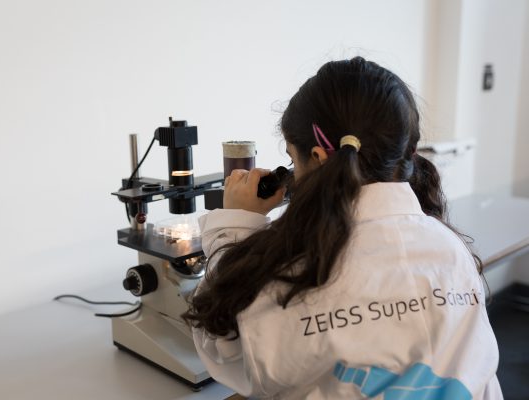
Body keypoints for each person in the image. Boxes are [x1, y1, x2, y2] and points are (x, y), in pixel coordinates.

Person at [183, 57, 502, 399]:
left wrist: (235, 223)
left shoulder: (293, 272)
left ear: (319, 158)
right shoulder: (450, 248)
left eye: (293, 159)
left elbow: (224, 345)